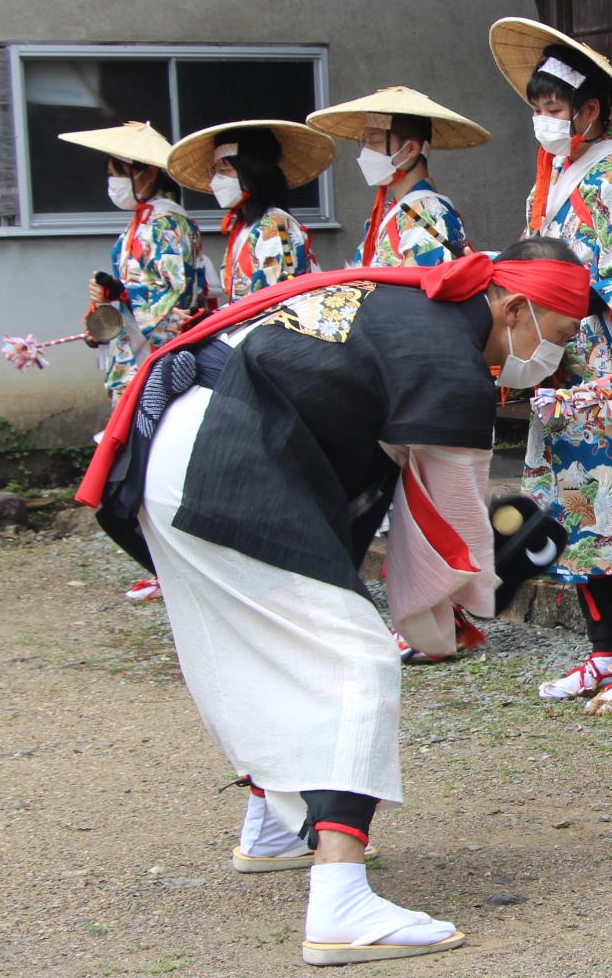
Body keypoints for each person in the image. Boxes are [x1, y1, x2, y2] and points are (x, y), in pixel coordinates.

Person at [75, 240, 588, 965]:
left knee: (270, 650)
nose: (553, 361)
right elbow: (455, 530)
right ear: (513, 306)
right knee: (355, 658)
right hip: (230, 455)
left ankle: (274, 826)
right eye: (557, 337)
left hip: (189, 448)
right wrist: (458, 611)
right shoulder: (449, 359)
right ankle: (341, 897)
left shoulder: (412, 306)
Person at [490, 19, 612, 711]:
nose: (545, 122)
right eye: (537, 110)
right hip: (561, 363)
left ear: (591, 109)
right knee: (576, 508)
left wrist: (561, 288)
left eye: (555, 109)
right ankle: (605, 652)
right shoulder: (548, 182)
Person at [58, 120, 198, 603]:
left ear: (145, 173)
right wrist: (108, 303)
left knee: (150, 464)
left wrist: (124, 293)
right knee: (140, 465)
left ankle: (174, 563)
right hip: (133, 355)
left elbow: (174, 295)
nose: (113, 180)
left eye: (119, 170)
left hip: (155, 356)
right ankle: (163, 564)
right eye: (111, 169)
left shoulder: (168, 222)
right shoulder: (138, 226)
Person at [307, 86, 486, 267]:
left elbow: (425, 286)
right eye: (364, 142)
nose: (366, 152)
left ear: (410, 149)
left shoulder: (427, 212)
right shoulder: (389, 211)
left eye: (375, 141)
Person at [167, 119, 331, 302]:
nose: (215, 180)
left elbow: (273, 301)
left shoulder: (277, 227)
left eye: (224, 169)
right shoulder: (245, 227)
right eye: (214, 171)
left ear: (253, 171)